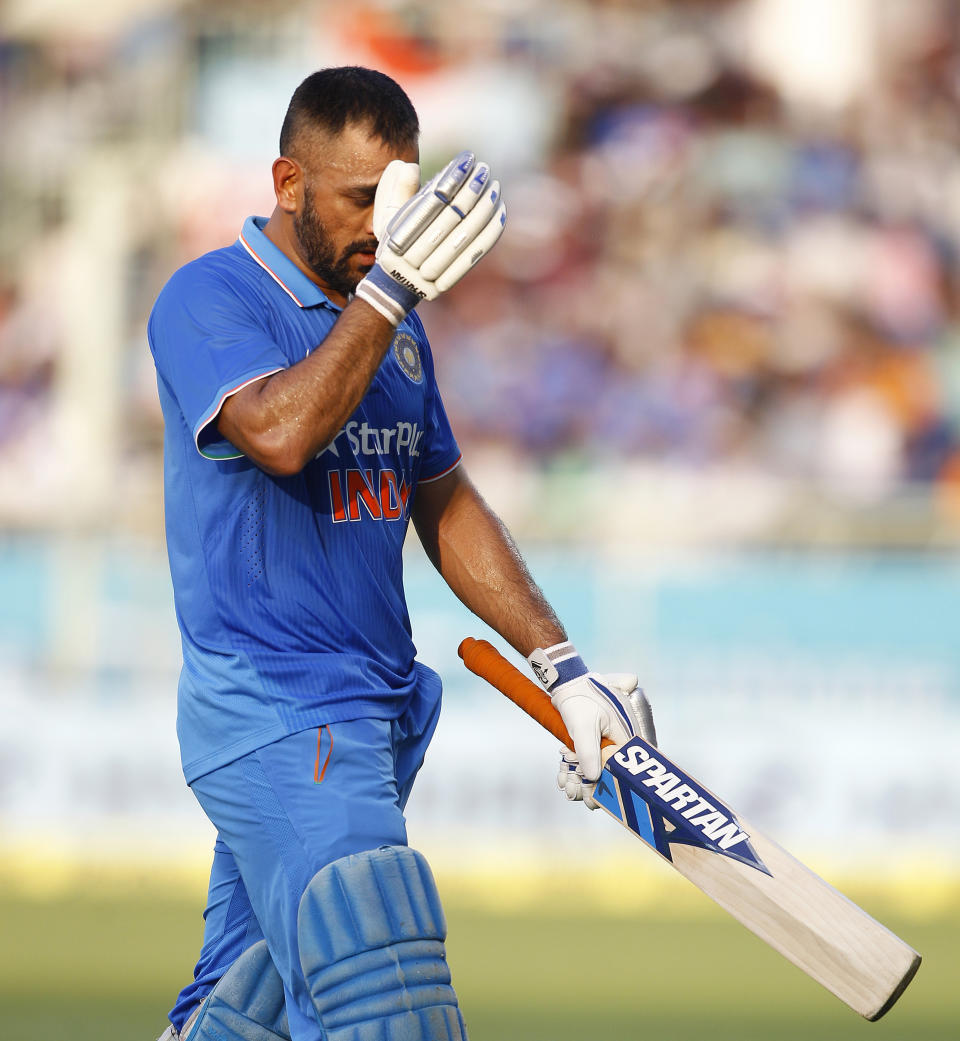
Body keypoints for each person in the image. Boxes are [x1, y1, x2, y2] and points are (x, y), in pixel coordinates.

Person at [149, 66, 655, 1041]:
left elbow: (447, 503)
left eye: (398, 202)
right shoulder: (211, 296)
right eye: (357, 201)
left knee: (237, 1020)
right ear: (287, 182)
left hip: (369, 720)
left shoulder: (396, 327)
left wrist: (565, 668)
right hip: (279, 711)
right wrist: (388, 294)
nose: (383, 229)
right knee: (389, 1003)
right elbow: (279, 433)